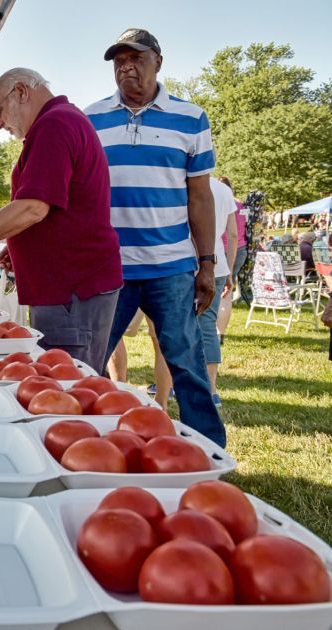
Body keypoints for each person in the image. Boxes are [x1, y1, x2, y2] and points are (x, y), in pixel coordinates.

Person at [0, 68, 123, 372]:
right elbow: (53, 207)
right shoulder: (61, 121)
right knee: (67, 380)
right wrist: (22, 247)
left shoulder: (54, 124)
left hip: (71, 289)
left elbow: (32, 208)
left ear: (21, 92)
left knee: (64, 385)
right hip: (69, 286)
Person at [85, 28, 225, 446]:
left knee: (187, 364)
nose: (127, 67)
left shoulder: (190, 117)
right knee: (89, 365)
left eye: (136, 59)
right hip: (112, 268)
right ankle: (85, 443)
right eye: (119, 61)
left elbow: (200, 198)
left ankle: (210, 452)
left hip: (172, 267)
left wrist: (207, 264)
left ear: (158, 62)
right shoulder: (90, 118)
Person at [149, 177, 237, 409]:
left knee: (171, 329)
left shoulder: (180, 184)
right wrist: (228, 268)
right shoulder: (224, 191)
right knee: (207, 326)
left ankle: (166, 389)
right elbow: (233, 234)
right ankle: (211, 389)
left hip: (183, 261)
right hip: (216, 263)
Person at [216, 177, 248, 342]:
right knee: (227, 292)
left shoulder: (218, 200)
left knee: (220, 290)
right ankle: (221, 332)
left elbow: (232, 234)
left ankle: (212, 328)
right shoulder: (241, 205)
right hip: (240, 249)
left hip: (223, 248)